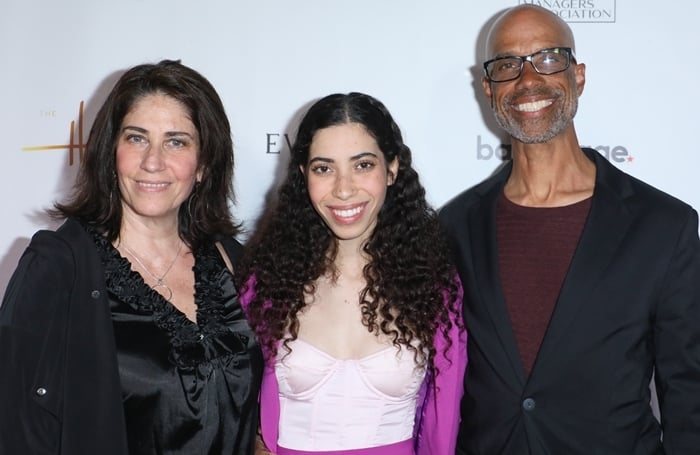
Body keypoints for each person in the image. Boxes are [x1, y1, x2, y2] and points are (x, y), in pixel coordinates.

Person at [439, 4, 700, 454]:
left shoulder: (664, 226)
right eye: (507, 65)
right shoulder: (455, 226)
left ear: (577, 75)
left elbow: (689, 394)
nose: (527, 80)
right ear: (488, 88)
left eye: (548, 58)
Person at [0, 60, 263, 454]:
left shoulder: (232, 262)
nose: (152, 161)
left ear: (204, 164)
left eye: (176, 141)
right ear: (111, 153)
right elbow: (17, 428)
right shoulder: (58, 268)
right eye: (137, 138)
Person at [237, 92, 467, 455]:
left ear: (391, 169)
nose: (343, 189)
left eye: (362, 165)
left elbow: (444, 420)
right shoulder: (265, 284)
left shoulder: (432, 288)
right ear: (303, 175)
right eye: (324, 168)